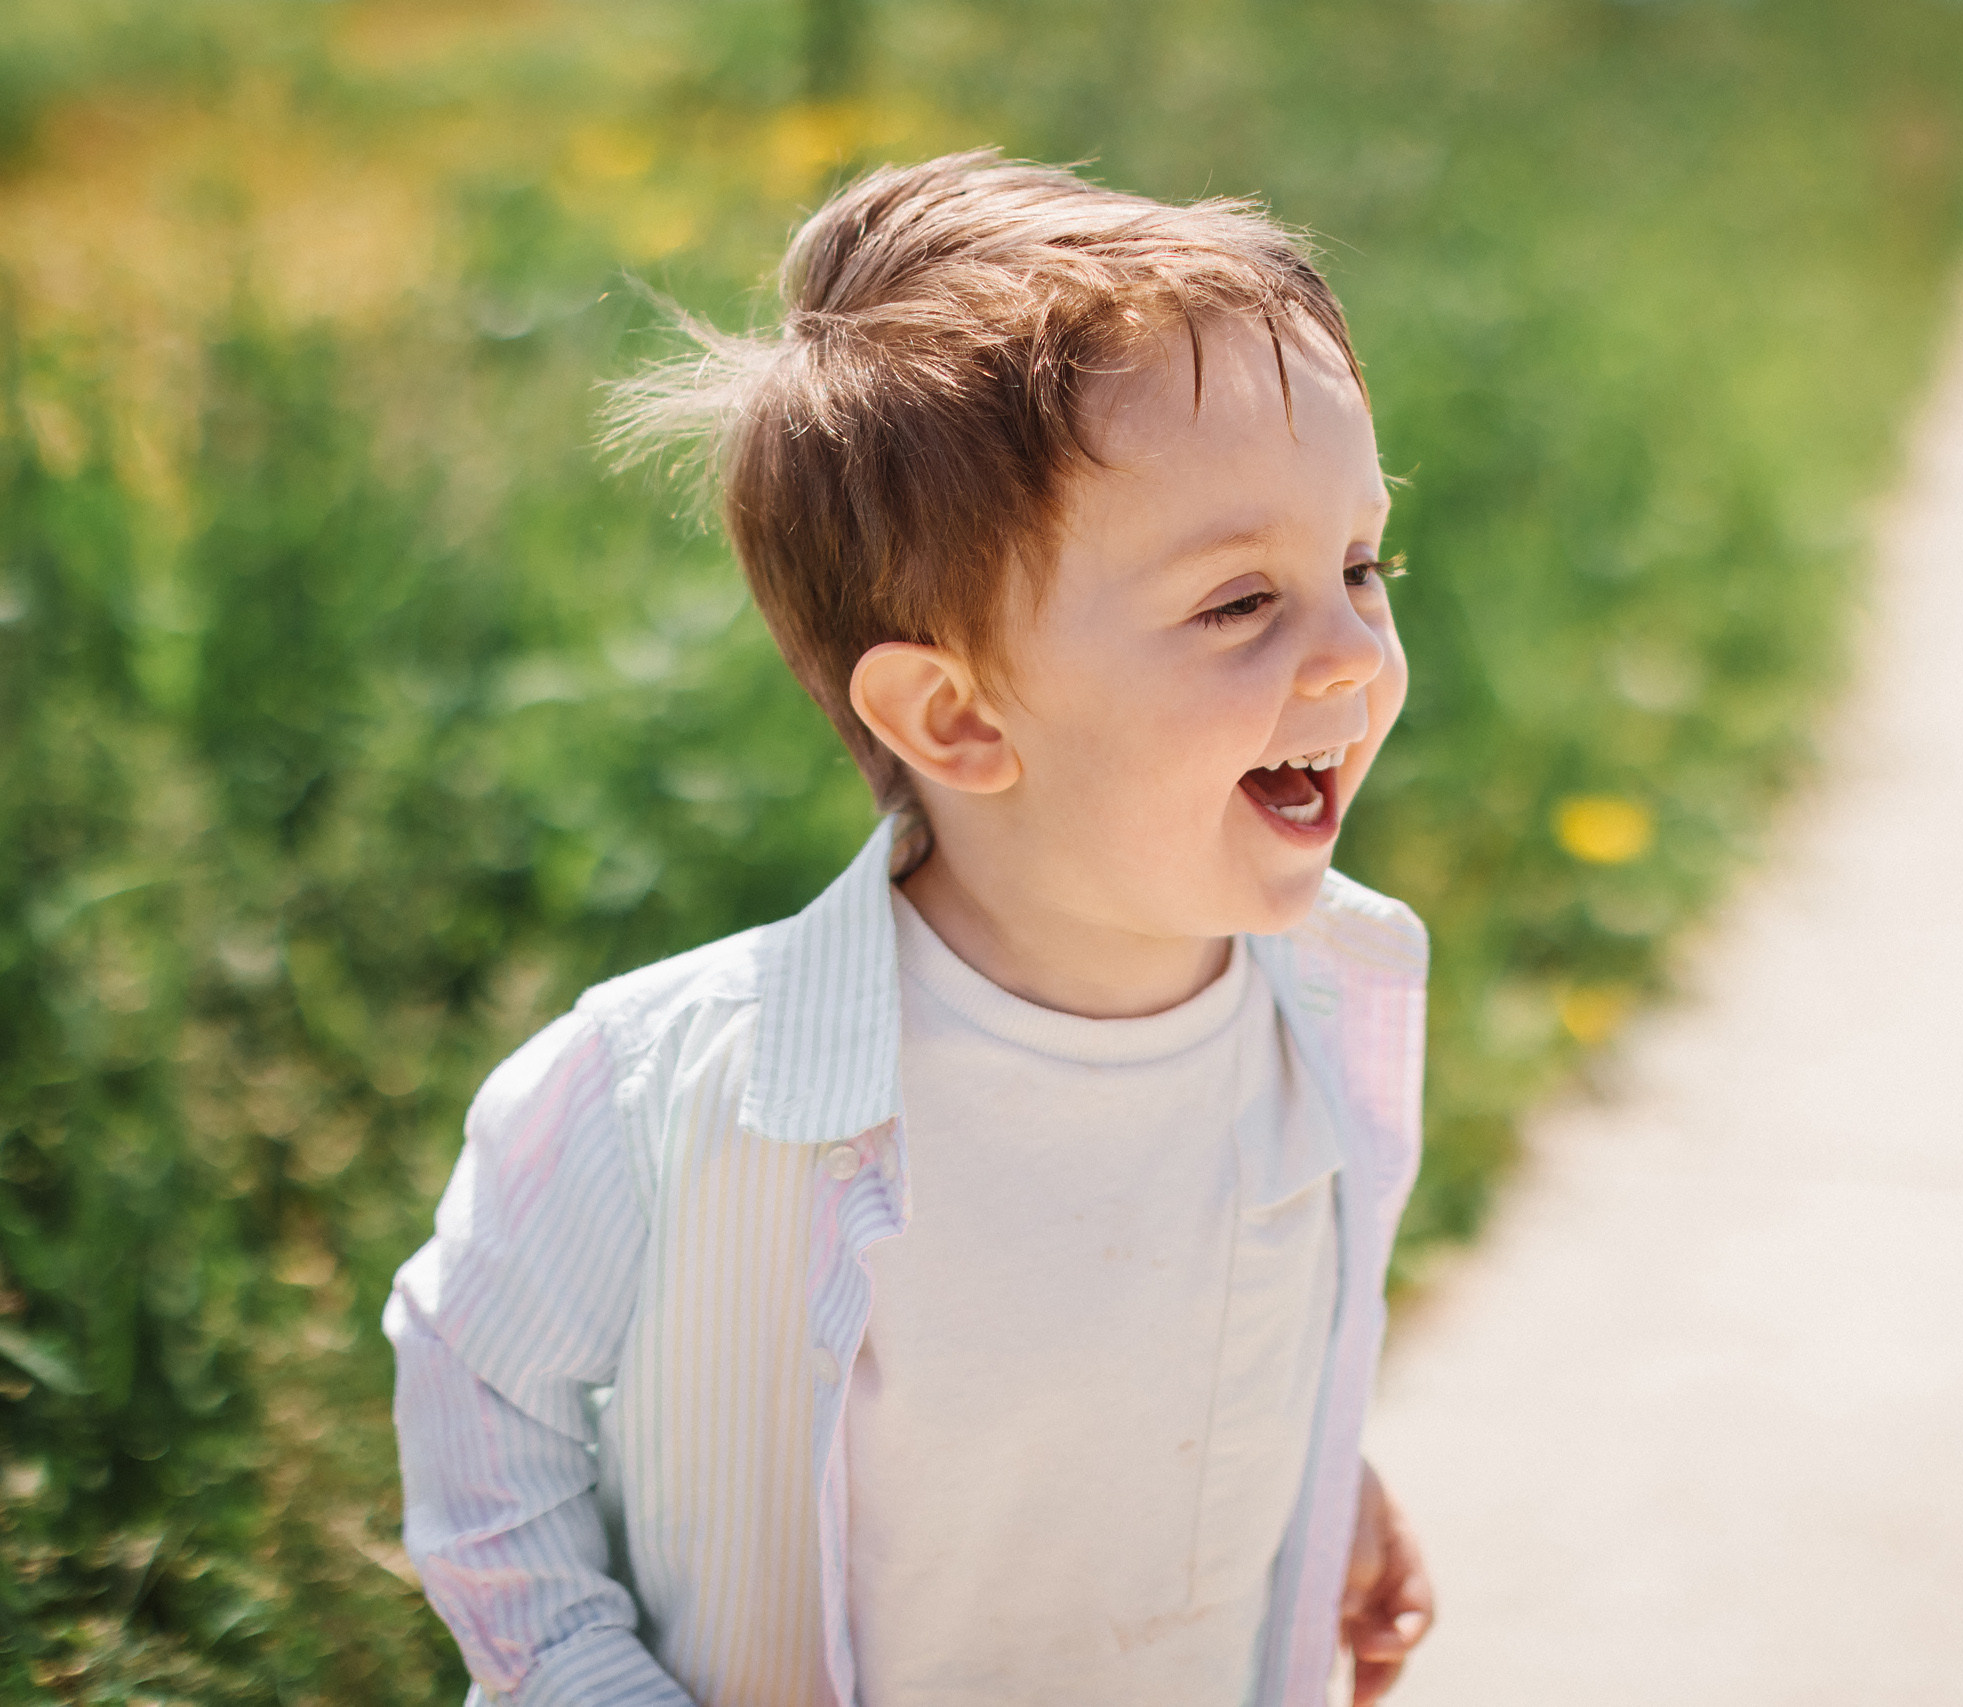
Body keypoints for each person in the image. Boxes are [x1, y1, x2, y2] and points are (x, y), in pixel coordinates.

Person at [384, 151, 1435, 1707]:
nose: (1353, 653)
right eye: (1239, 605)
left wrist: (1310, 1474)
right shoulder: (675, 1089)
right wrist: (581, 1679)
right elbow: (476, 1374)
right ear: (954, 715)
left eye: (1361, 564)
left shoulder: (1323, 1012)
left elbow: (1197, 1341)